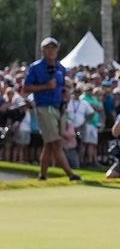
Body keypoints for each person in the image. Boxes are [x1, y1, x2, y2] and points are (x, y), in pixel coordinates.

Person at [22, 37, 82, 182]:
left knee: (49, 143)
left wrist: (65, 94)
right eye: (48, 48)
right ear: (42, 50)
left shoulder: (60, 68)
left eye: (53, 48)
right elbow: (26, 88)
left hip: (59, 107)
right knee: (55, 142)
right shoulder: (35, 67)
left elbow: (60, 86)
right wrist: (45, 87)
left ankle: (42, 175)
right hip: (44, 107)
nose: (51, 51)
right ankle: (70, 174)